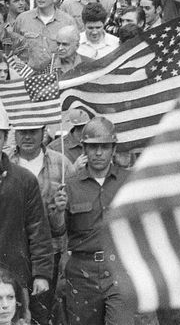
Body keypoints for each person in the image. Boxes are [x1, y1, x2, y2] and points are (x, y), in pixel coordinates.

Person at [60, 117, 134, 325]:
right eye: (93, 147)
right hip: (82, 272)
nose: (99, 153)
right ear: (83, 149)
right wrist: (57, 211)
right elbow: (58, 231)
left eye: (104, 147)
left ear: (113, 148)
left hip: (120, 268)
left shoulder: (130, 181)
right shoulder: (70, 186)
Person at [0, 109, 53, 325]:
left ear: (4, 138)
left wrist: (41, 273)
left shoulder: (24, 180)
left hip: (15, 275)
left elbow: (38, 229)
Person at [13, 0, 74, 73]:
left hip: (58, 78)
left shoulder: (67, 22)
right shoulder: (22, 19)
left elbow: (73, 54)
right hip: (27, 78)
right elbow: (13, 52)